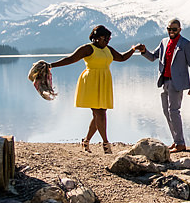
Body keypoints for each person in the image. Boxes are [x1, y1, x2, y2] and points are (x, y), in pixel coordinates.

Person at [49, 25, 136, 154]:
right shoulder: (88, 49)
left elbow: (122, 58)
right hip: (91, 82)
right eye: (104, 37)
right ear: (96, 37)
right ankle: (106, 144)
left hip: (104, 80)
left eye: (109, 38)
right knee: (100, 113)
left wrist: (134, 49)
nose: (107, 40)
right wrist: (51, 65)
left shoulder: (108, 49)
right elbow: (71, 59)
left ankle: (86, 141)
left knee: (99, 114)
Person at [135, 18, 190, 152]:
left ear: (179, 30)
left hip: (177, 83)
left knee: (174, 112)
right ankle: (176, 141)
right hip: (164, 81)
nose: (171, 31)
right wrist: (143, 50)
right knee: (166, 112)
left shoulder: (186, 44)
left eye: (174, 29)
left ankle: (181, 143)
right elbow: (152, 57)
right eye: (169, 29)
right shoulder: (164, 42)